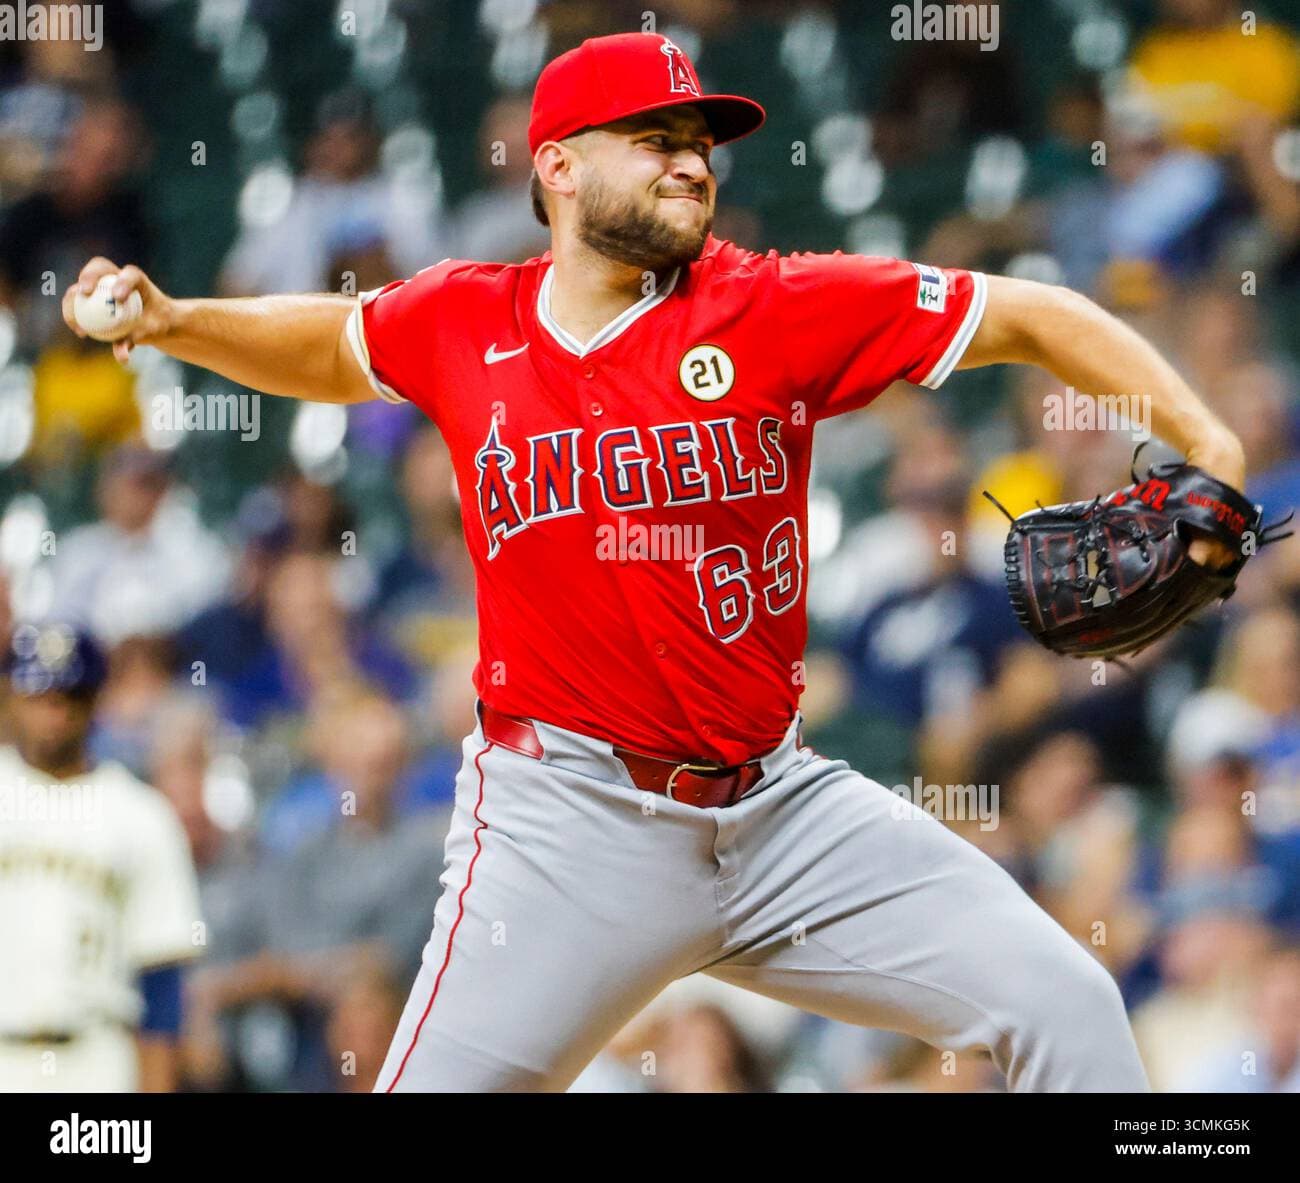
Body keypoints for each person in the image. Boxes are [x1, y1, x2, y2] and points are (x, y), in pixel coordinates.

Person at [62, 32, 1252, 1093]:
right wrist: (176, 321)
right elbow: (331, 342)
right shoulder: (463, 318)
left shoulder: (770, 306)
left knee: (1068, 1005)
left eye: (702, 143)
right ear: (558, 167)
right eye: (658, 138)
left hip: (781, 811)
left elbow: (1026, 312)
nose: (693, 162)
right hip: (565, 826)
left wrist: (1207, 439)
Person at [0, 623, 203, 1091]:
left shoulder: (141, 813)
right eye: (40, 697)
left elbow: (161, 978)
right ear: (12, 697)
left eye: (68, 697)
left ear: (95, 702)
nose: (54, 714)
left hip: (95, 1057)